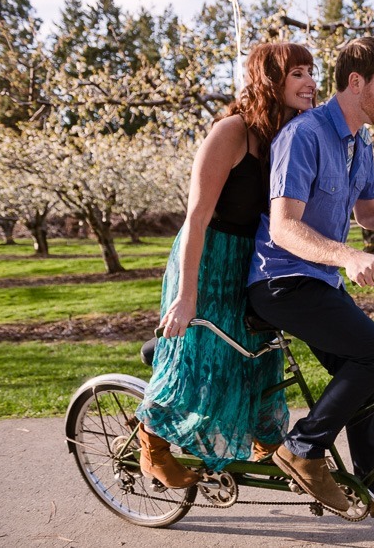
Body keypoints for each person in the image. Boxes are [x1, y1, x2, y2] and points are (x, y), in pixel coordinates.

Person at [247, 37, 374, 515]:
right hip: (280, 281)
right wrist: (348, 257)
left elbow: (371, 213)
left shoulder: (360, 141)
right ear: (356, 82)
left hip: (318, 282)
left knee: (357, 368)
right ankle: (301, 449)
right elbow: (284, 226)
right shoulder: (305, 134)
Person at [135, 42, 317, 488]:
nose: (311, 82)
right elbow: (196, 218)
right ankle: (152, 445)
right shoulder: (231, 132)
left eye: (312, 72)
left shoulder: (291, 134)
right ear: (269, 80)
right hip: (209, 256)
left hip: (253, 262)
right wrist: (186, 297)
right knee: (201, 361)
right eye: (297, 73)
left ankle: (264, 445)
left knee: (258, 357)